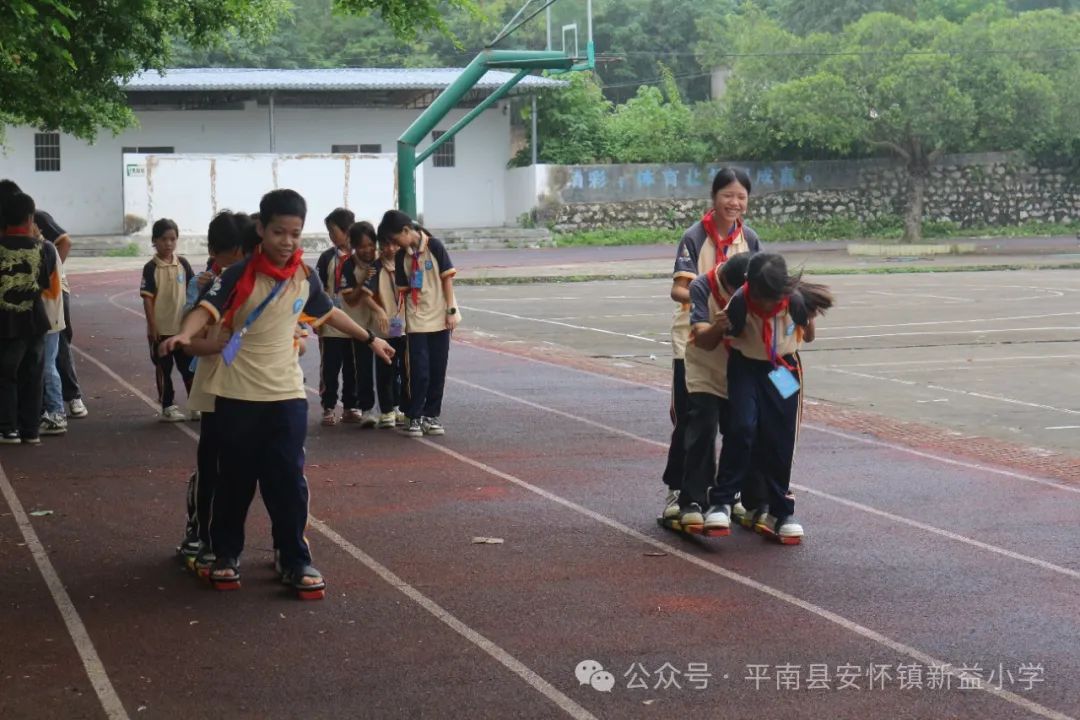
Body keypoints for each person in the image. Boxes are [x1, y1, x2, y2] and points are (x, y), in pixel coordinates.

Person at [161, 189, 395, 599]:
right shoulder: (236, 276)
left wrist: (370, 338)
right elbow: (206, 311)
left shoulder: (306, 277)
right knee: (234, 480)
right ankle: (227, 554)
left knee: (287, 479)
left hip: (286, 394)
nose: (287, 241)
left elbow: (328, 312)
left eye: (294, 232)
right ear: (261, 230)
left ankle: (294, 557)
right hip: (236, 394)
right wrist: (184, 333)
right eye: (278, 232)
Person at [709, 253, 833, 544]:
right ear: (749, 286)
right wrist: (721, 324)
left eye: (771, 298)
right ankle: (722, 500)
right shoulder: (739, 302)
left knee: (780, 438)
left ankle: (780, 510)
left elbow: (809, 337)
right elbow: (726, 335)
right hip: (747, 368)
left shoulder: (796, 302)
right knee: (741, 427)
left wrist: (810, 319)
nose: (766, 305)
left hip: (783, 371)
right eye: (761, 298)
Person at [662, 169, 763, 522]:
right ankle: (681, 489)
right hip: (693, 338)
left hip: (735, 341)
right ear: (714, 197)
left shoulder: (749, 238)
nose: (734, 203)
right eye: (728, 196)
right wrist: (709, 297)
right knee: (692, 418)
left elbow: (762, 288)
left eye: (741, 197)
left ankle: (726, 492)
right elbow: (678, 289)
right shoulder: (694, 236)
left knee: (737, 419)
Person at [177, 211, 251, 570]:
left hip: (261, 389)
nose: (236, 264)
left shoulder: (267, 285)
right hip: (215, 388)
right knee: (212, 466)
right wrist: (215, 344)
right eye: (230, 257)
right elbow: (189, 339)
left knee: (274, 470)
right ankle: (202, 534)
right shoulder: (213, 287)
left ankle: (289, 544)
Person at [671, 253, 751, 535]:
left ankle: (744, 498)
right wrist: (720, 324)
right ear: (728, 285)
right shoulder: (702, 286)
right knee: (703, 425)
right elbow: (703, 340)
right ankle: (692, 498)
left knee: (743, 429)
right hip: (705, 366)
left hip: (744, 368)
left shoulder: (761, 286)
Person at [0, 179, 86, 419]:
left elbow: (64, 242)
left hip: (51, 294)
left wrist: (47, 270)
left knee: (54, 349)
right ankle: (34, 412)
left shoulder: (38, 220)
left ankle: (69, 399)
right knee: (34, 355)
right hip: (22, 298)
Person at [378, 210, 459, 438]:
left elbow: (447, 280)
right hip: (416, 320)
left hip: (440, 317)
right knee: (418, 370)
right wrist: (398, 320)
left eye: (396, 240)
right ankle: (414, 415)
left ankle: (431, 415)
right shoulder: (402, 256)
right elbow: (403, 293)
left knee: (437, 369)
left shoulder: (435, 247)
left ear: (406, 231)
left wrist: (451, 310)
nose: (394, 246)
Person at [0, 193, 52, 445]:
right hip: (34, 321)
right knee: (33, 375)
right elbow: (43, 282)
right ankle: (31, 430)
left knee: (6, 374)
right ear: (30, 218)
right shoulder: (42, 248)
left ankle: (8, 428)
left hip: (6, 323)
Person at [140, 219, 196, 422]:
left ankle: (196, 403)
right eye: (164, 239)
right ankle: (168, 405)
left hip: (181, 329)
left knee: (189, 367)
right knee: (164, 370)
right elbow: (147, 298)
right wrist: (152, 325)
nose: (169, 244)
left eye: (173, 239)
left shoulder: (183, 264)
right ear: (155, 241)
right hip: (161, 330)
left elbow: (193, 290)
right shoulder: (151, 268)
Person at [315, 208, 359, 426]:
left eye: (333, 231)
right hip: (331, 324)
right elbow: (319, 289)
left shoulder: (361, 256)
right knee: (330, 368)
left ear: (347, 231)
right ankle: (328, 406)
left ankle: (351, 406)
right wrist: (317, 320)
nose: (331, 236)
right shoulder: (326, 259)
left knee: (353, 368)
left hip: (355, 323)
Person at [339, 221, 385, 428]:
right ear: (354, 246)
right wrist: (363, 281)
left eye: (371, 245)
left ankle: (390, 408)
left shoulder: (382, 261)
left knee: (388, 366)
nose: (368, 250)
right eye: (362, 246)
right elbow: (350, 300)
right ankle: (367, 409)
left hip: (383, 323)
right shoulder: (347, 266)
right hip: (359, 325)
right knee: (363, 368)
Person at [368, 231, 408, 427]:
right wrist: (379, 311)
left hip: (403, 324)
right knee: (385, 368)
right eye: (385, 245)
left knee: (401, 369)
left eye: (394, 244)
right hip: (384, 328)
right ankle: (386, 410)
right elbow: (366, 295)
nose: (390, 249)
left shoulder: (405, 263)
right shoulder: (375, 268)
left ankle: (398, 406)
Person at [38, 237, 68, 437]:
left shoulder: (45, 248)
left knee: (47, 365)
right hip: (45, 316)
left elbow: (44, 284)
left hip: (48, 316)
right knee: (43, 365)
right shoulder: (42, 246)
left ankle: (57, 412)